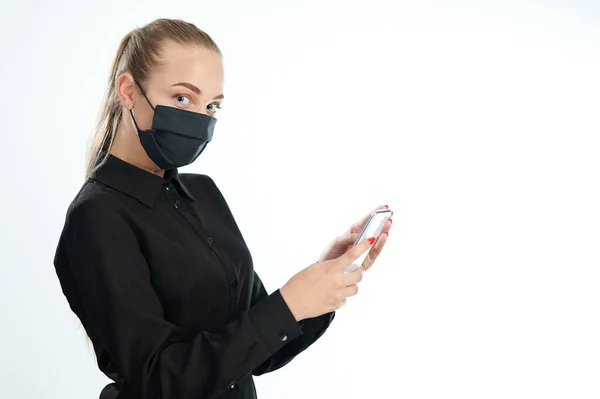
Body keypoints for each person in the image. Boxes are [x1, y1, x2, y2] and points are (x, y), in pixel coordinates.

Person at [52, 18, 392, 399]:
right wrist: (289, 303)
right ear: (128, 91)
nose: (199, 118)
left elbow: (258, 352)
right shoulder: (97, 216)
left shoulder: (204, 193)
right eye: (183, 98)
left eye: (212, 105)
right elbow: (159, 380)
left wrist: (322, 283)